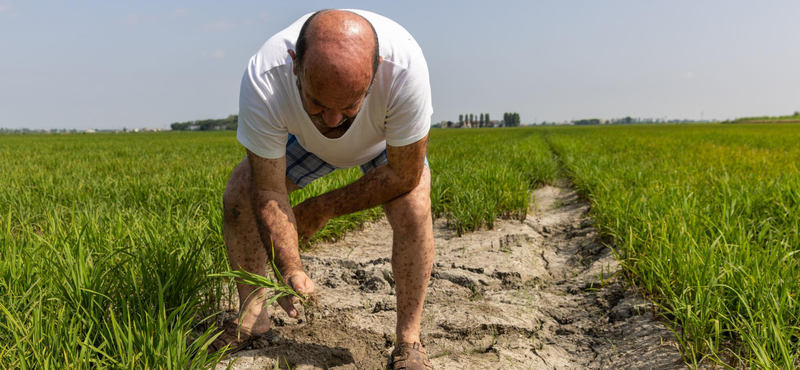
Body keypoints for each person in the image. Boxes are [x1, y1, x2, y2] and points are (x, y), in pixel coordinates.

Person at [216, 9, 435, 370]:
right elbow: (268, 189)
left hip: (382, 145)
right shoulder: (264, 78)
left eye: (350, 105)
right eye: (317, 102)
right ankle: (254, 318)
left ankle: (409, 342)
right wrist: (290, 267)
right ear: (295, 66)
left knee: (414, 206)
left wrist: (321, 208)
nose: (333, 121)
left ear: (376, 71)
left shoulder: (405, 68)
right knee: (240, 193)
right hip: (305, 142)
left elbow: (403, 174)